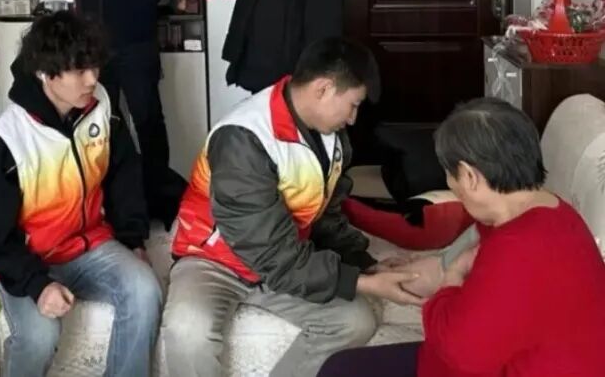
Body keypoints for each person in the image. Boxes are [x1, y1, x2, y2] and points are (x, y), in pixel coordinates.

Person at [161, 37, 422, 377]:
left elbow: (325, 213)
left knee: (354, 321)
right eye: (353, 105)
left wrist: (365, 264)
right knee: (187, 331)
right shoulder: (245, 138)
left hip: (287, 258)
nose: (353, 119)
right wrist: (359, 282)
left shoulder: (330, 135)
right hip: (214, 261)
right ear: (323, 89)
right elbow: (269, 253)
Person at [318, 98, 605, 377]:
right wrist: (399, 273)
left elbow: (459, 353)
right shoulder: (542, 208)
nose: (451, 186)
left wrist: (451, 279)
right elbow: (460, 264)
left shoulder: (520, 250)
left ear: (469, 176)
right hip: (499, 356)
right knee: (342, 367)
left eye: (449, 175)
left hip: (501, 363)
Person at [0, 11, 163, 377]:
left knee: (145, 291)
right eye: (79, 71)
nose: (92, 79)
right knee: (39, 335)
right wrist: (38, 286)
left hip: (89, 245)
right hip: (30, 258)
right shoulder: (6, 141)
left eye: (94, 66)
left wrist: (133, 240)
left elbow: (123, 174)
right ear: (45, 74)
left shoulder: (102, 106)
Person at [65, 0, 185, 228]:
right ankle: (115, 204)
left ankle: (159, 200)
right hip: (94, 48)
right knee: (101, 123)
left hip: (136, 41)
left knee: (148, 120)